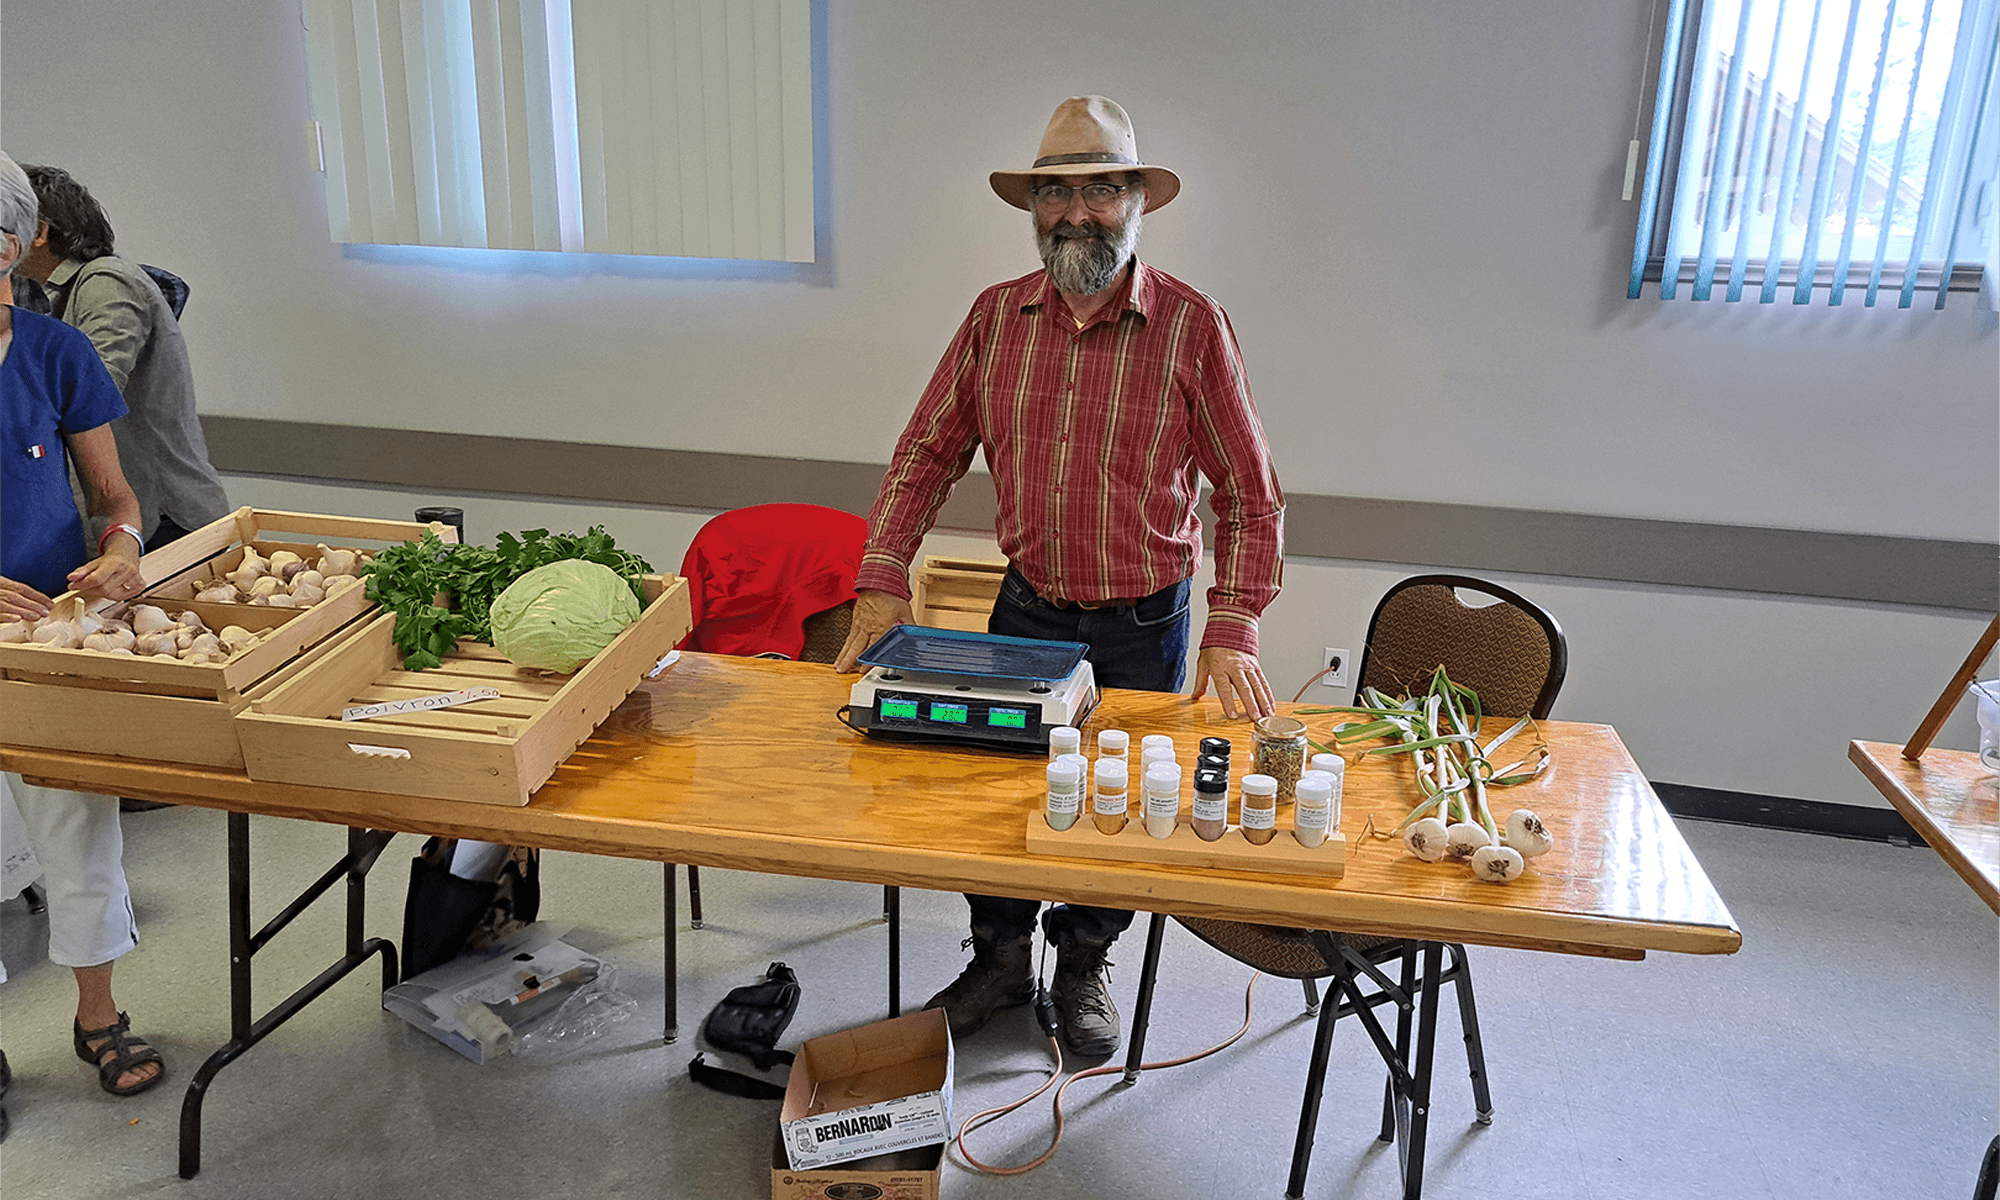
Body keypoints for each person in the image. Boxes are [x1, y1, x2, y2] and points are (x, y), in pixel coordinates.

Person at [831, 97, 1286, 1057]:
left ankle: (1082, 964)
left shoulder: (1192, 327)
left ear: (1137, 202)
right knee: (995, 802)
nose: (1078, 213)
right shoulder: (995, 318)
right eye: (1056, 194)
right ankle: (998, 961)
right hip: (1026, 611)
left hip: (1142, 624)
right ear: (1033, 207)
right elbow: (925, 453)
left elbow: (1250, 494)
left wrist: (1233, 623)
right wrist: (882, 577)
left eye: (1102, 190)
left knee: (1112, 809)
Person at [0, 151, 168, 1132]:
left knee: (80, 836)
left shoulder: (56, 355)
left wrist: (123, 552)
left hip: (54, 643)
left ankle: (97, 1020)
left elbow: (116, 498)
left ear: (11, 248)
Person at [18, 162, 230, 551]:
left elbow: (92, 392)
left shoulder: (107, 282)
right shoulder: (47, 293)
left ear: (39, 233)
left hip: (163, 521)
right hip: (129, 521)